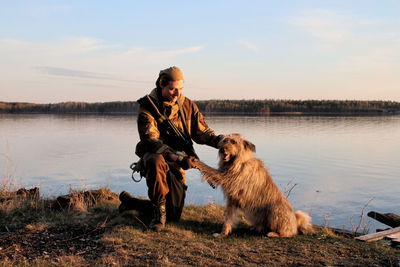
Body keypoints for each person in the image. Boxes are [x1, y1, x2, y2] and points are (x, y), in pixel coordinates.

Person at [120, 66, 222, 232]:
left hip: (178, 161)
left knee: (174, 215)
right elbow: (151, 141)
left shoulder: (188, 105)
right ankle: (158, 215)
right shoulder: (147, 107)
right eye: (173, 89)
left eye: (181, 89)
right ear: (161, 84)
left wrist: (222, 142)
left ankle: (131, 203)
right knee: (155, 159)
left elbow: (202, 133)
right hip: (157, 158)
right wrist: (177, 158)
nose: (177, 94)